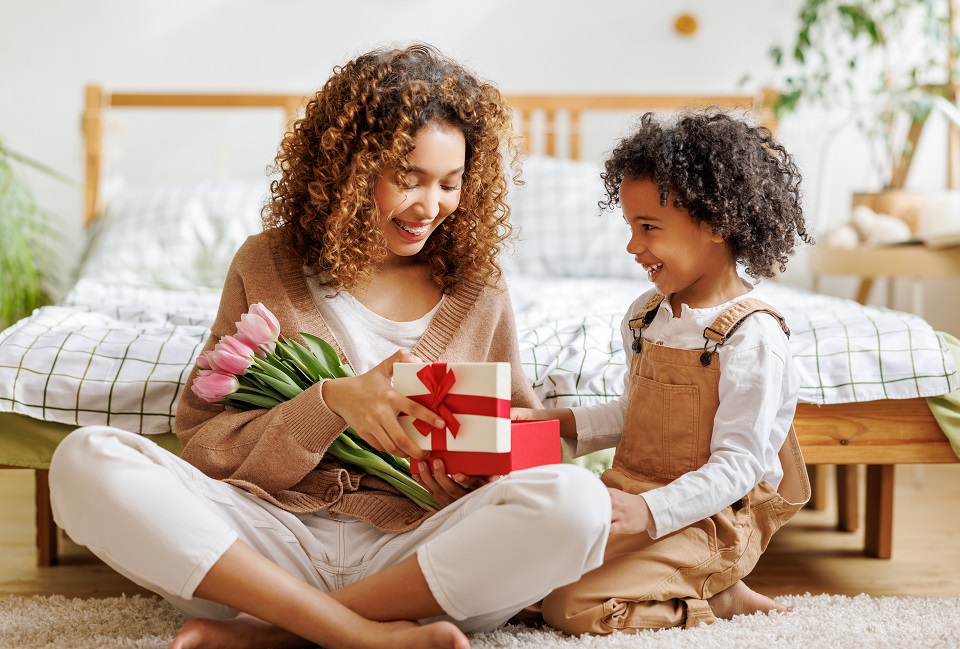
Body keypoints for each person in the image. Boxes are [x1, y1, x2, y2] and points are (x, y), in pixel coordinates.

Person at [48, 43, 612, 649]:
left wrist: (476, 479)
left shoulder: (478, 287)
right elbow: (208, 445)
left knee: (578, 501)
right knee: (87, 459)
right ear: (348, 165)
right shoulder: (267, 263)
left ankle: (271, 636)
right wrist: (332, 402)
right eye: (408, 179)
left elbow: (519, 446)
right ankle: (350, 632)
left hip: (418, 559)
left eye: (450, 184)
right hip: (265, 543)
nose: (430, 207)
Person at [513, 109, 814, 634]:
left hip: (709, 520)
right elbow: (639, 416)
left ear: (718, 222)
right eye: (630, 226)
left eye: (648, 227)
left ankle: (715, 595)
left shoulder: (753, 337)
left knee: (570, 608)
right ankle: (682, 578)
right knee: (513, 581)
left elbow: (740, 467)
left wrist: (647, 513)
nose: (633, 246)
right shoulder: (645, 315)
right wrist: (554, 422)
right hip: (632, 495)